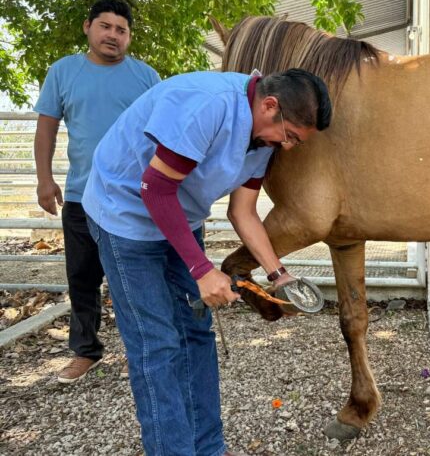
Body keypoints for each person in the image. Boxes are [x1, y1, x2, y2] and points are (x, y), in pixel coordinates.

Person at [81, 68, 332, 455]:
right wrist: (201, 270)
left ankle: (208, 447)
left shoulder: (263, 139)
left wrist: (279, 274)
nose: (289, 147)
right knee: (157, 344)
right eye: (291, 136)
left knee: (196, 333)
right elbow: (155, 190)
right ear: (270, 106)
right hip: (125, 216)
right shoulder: (207, 106)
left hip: (179, 216)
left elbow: (243, 212)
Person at [33, 0, 160, 383]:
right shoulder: (63, 72)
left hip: (132, 199)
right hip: (81, 195)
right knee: (82, 277)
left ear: (129, 37)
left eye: (121, 30)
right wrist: (44, 178)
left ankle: (147, 350)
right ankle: (86, 351)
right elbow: (47, 128)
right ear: (88, 27)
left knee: (140, 276)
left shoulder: (147, 77)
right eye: (105, 26)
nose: (113, 35)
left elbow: (162, 135)